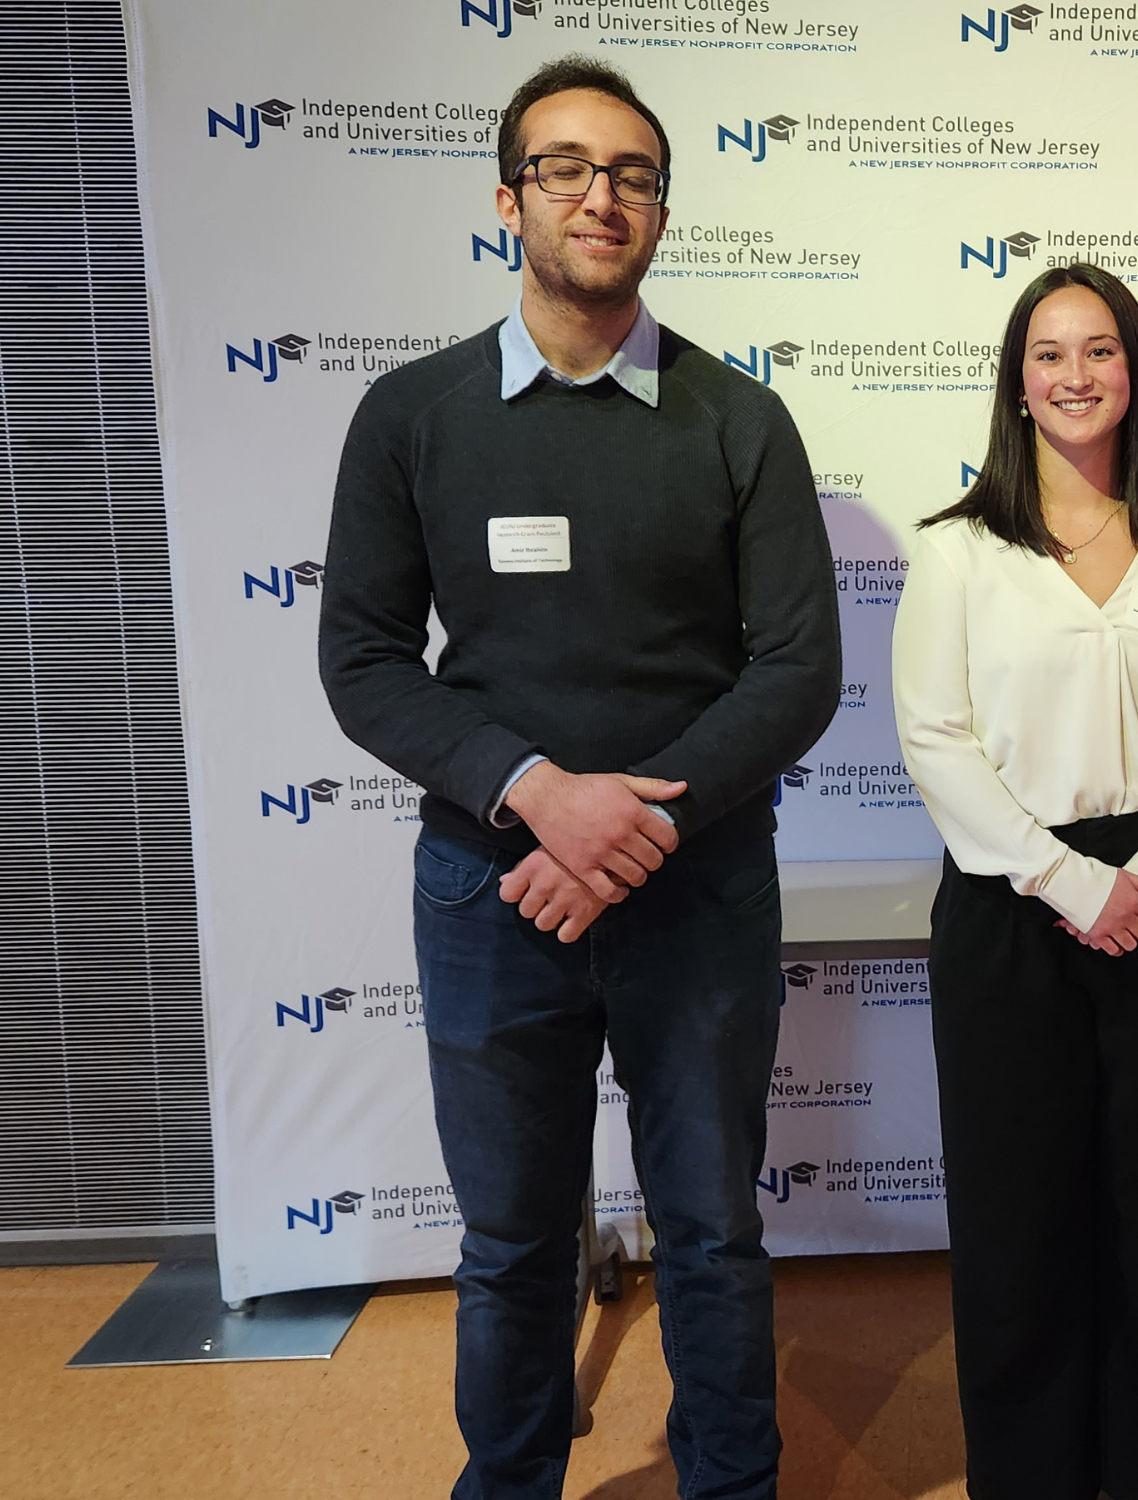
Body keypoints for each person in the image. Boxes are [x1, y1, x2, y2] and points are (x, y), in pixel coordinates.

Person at [317, 56, 839, 1500]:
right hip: (493, 887)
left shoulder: (739, 424)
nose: (600, 196)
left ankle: (731, 1483)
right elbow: (362, 661)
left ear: (660, 212)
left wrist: (629, 821)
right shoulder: (413, 416)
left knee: (712, 1231)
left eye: (632, 174)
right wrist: (538, 791)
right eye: (565, 168)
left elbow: (793, 675)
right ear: (507, 199)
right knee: (508, 1243)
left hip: (699, 888)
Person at [890, 263, 1138, 1500]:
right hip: (1011, 906)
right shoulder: (955, 554)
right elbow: (936, 742)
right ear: (1016, 384)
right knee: (1020, 1213)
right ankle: (1035, 1471)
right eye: (1047, 355)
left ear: (1135, 374)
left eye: (1098, 352)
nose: (1073, 376)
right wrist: (1064, 879)